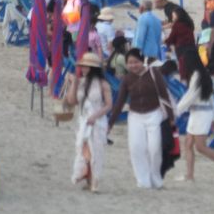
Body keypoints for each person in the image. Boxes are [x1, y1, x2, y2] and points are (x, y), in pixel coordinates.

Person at [107, 48, 175, 189]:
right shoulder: (127, 79)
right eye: (130, 63)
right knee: (136, 148)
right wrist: (110, 123)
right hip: (135, 116)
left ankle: (156, 179)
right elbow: (119, 103)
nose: (133, 66)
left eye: (136, 62)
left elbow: (164, 96)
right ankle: (143, 181)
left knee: (155, 148)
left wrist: (171, 117)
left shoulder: (154, 73)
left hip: (154, 114)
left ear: (142, 61)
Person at [174, 48, 214, 183]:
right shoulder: (202, 74)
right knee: (188, 144)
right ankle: (190, 175)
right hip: (198, 112)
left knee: (200, 147)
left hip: (201, 113)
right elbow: (210, 97)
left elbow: (190, 95)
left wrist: (175, 111)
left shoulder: (198, 75)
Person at [66, 52, 112, 192]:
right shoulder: (80, 81)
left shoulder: (103, 84)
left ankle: (95, 181)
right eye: (83, 66)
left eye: (87, 67)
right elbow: (71, 101)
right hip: (83, 119)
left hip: (97, 120)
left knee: (96, 150)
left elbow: (108, 105)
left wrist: (95, 116)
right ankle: (88, 179)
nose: (84, 69)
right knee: (83, 150)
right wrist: (73, 83)